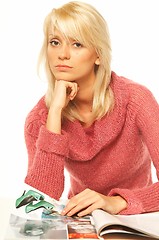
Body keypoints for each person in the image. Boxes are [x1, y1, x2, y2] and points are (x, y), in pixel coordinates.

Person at [24, 1, 159, 218]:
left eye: (77, 44)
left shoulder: (136, 100)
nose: (62, 54)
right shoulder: (39, 119)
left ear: (98, 55)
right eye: (55, 42)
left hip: (139, 217)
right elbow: (39, 201)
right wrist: (55, 113)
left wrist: (116, 202)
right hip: (83, 220)